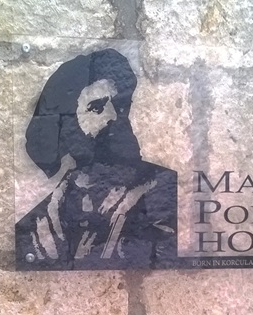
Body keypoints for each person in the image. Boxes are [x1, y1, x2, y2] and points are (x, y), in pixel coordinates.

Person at [16, 48, 178, 269]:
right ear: (66, 125)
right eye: (96, 108)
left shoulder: (161, 189)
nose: (113, 116)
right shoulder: (37, 226)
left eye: (120, 105)